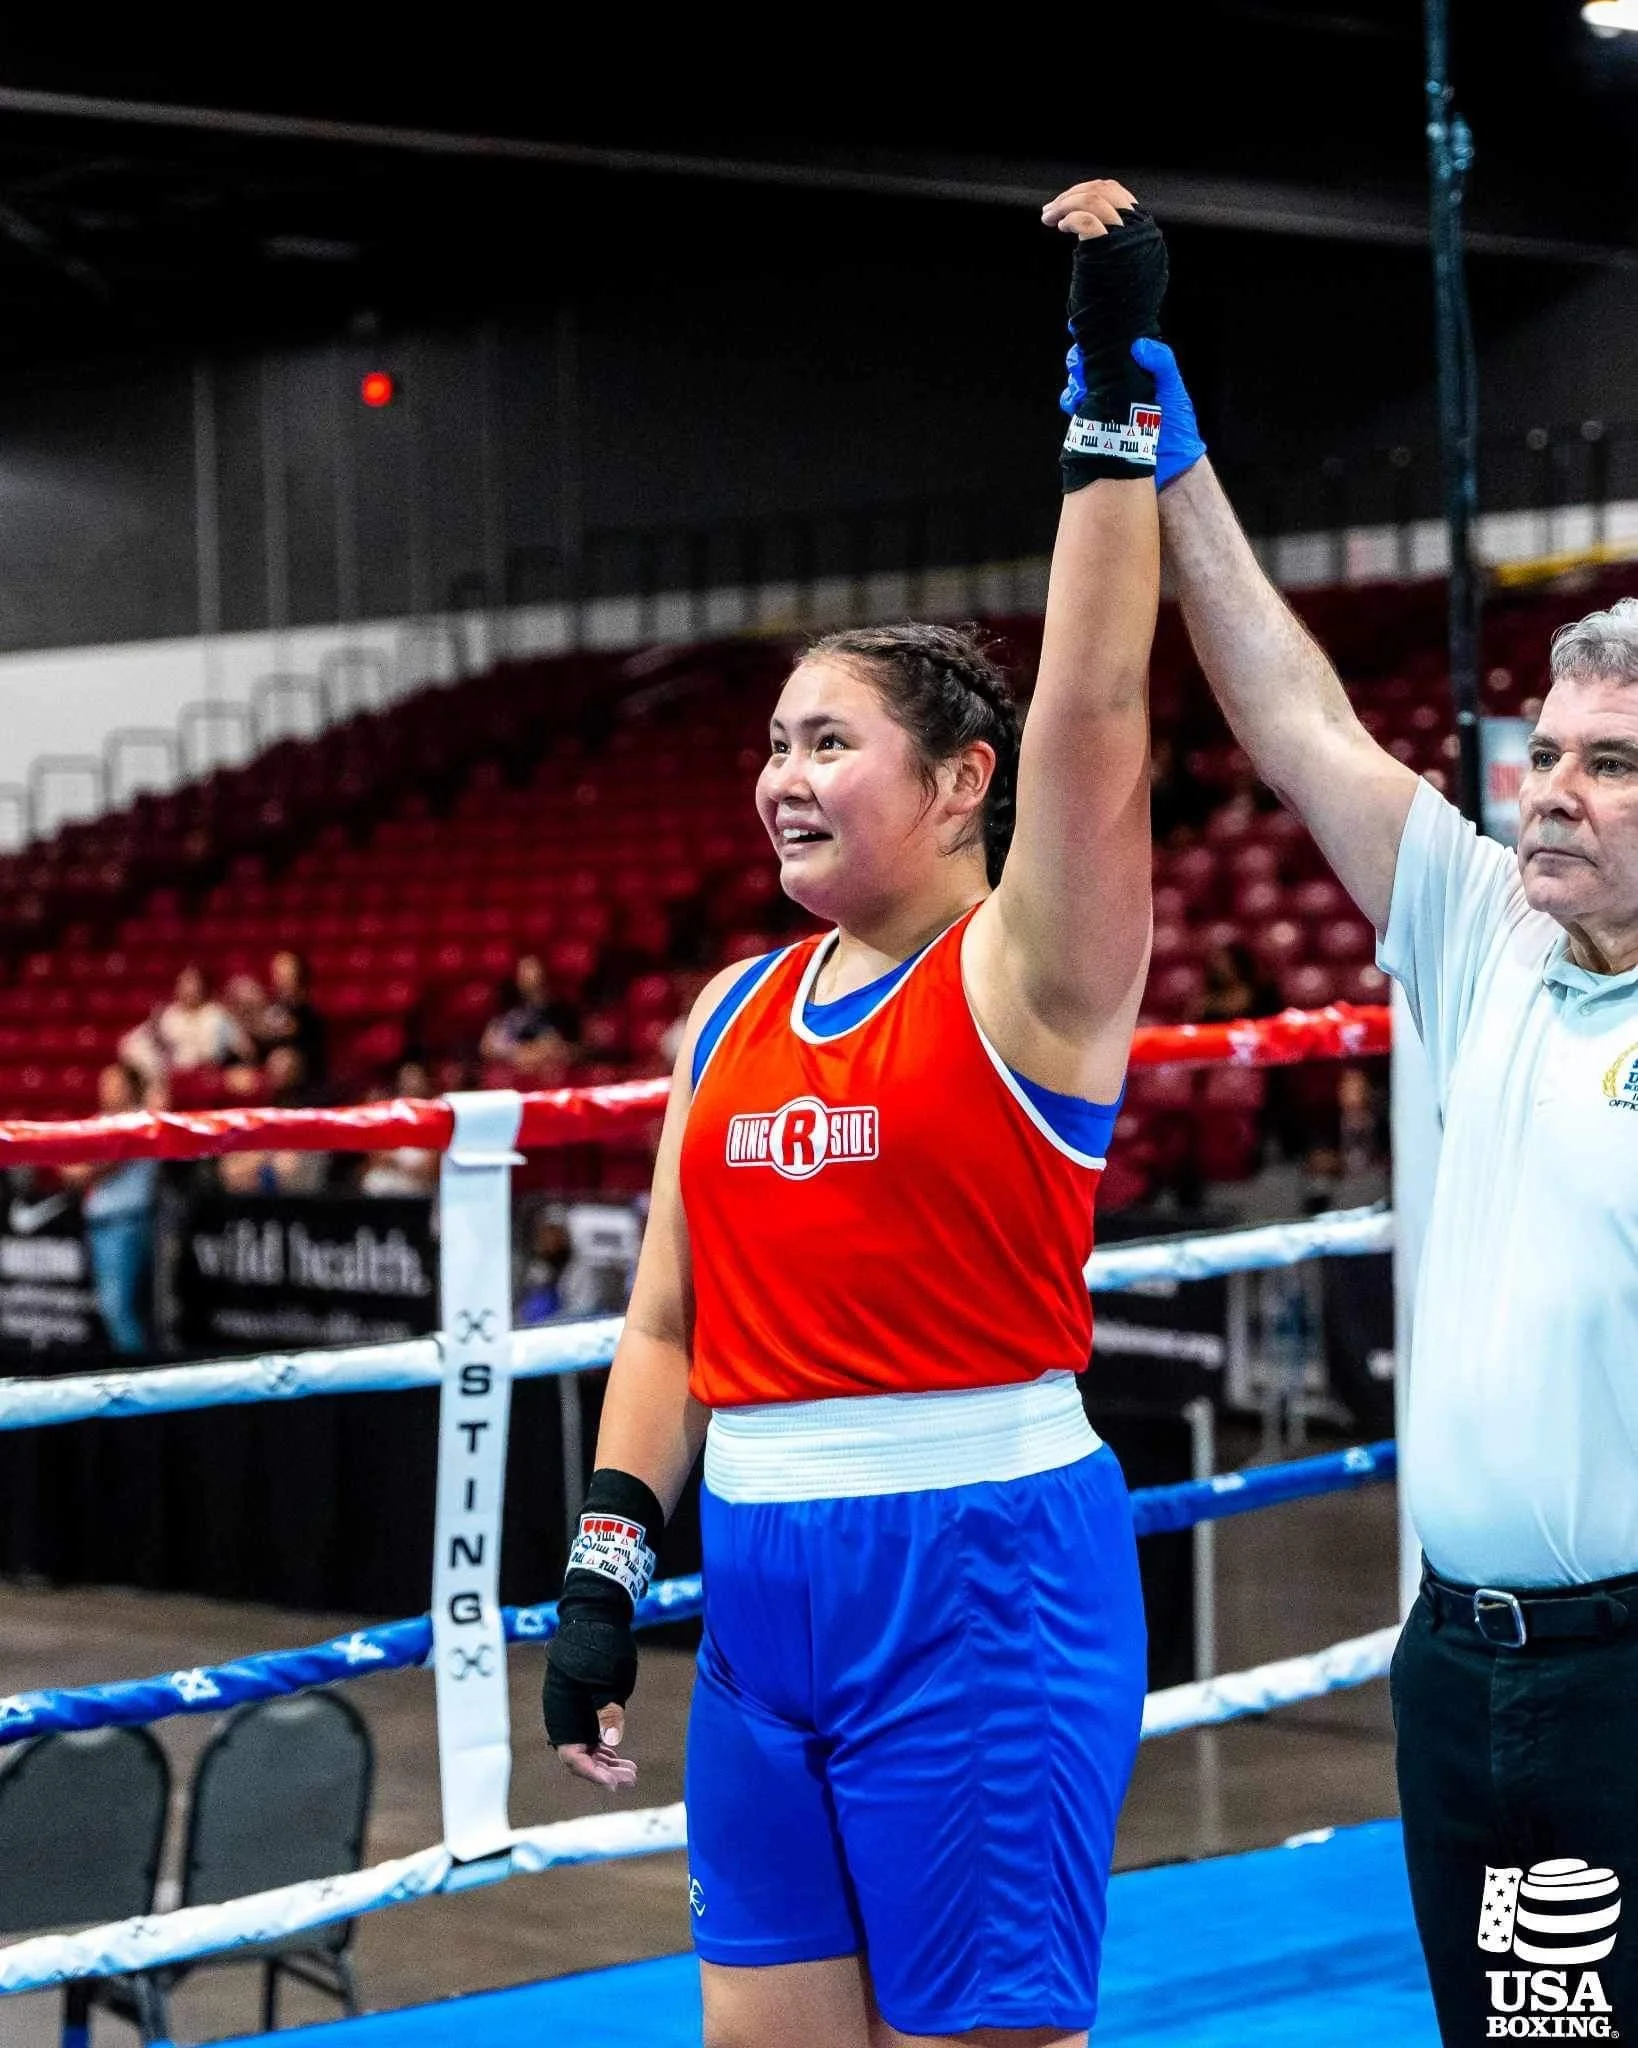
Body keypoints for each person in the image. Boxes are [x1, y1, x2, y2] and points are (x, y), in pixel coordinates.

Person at [543, 181, 1165, 2048]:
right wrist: (602, 1568)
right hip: (761, 1596)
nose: (780, 778)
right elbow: (668, 1323)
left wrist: (1105, 412)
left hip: (979, 1573)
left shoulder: (1026, 977)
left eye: (829, 742)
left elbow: (1094, 708)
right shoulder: (728, 1010)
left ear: (963, 780)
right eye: (772, 743)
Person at [1131, 303, 1638, 2040]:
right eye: (1543, 753)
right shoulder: (1483, 927)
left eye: (1609, 764)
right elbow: (1294, 719)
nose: (1551, 791)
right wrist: (1174, 462)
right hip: (1456, 1663)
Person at [61, 1062, 159, 1354]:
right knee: (108, 1306)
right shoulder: (98, 1122)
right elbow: (66, 1164)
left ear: (131, 1087)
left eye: (114, 1083)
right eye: (104, 1083)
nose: (106, 1089)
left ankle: (137, 1374)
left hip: (127, 1223)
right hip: (98, 1223)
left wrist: (87, 1168)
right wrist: (84, 1168)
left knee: (119, 1308)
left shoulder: (140, 1121)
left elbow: (105, 1165)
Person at [261, 949, 328, 1086]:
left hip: (309, 1079)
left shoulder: (311, 1009)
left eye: (285, 969)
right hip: (278, 1080)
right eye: (276, 969)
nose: (279, 975)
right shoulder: (273, 1007)